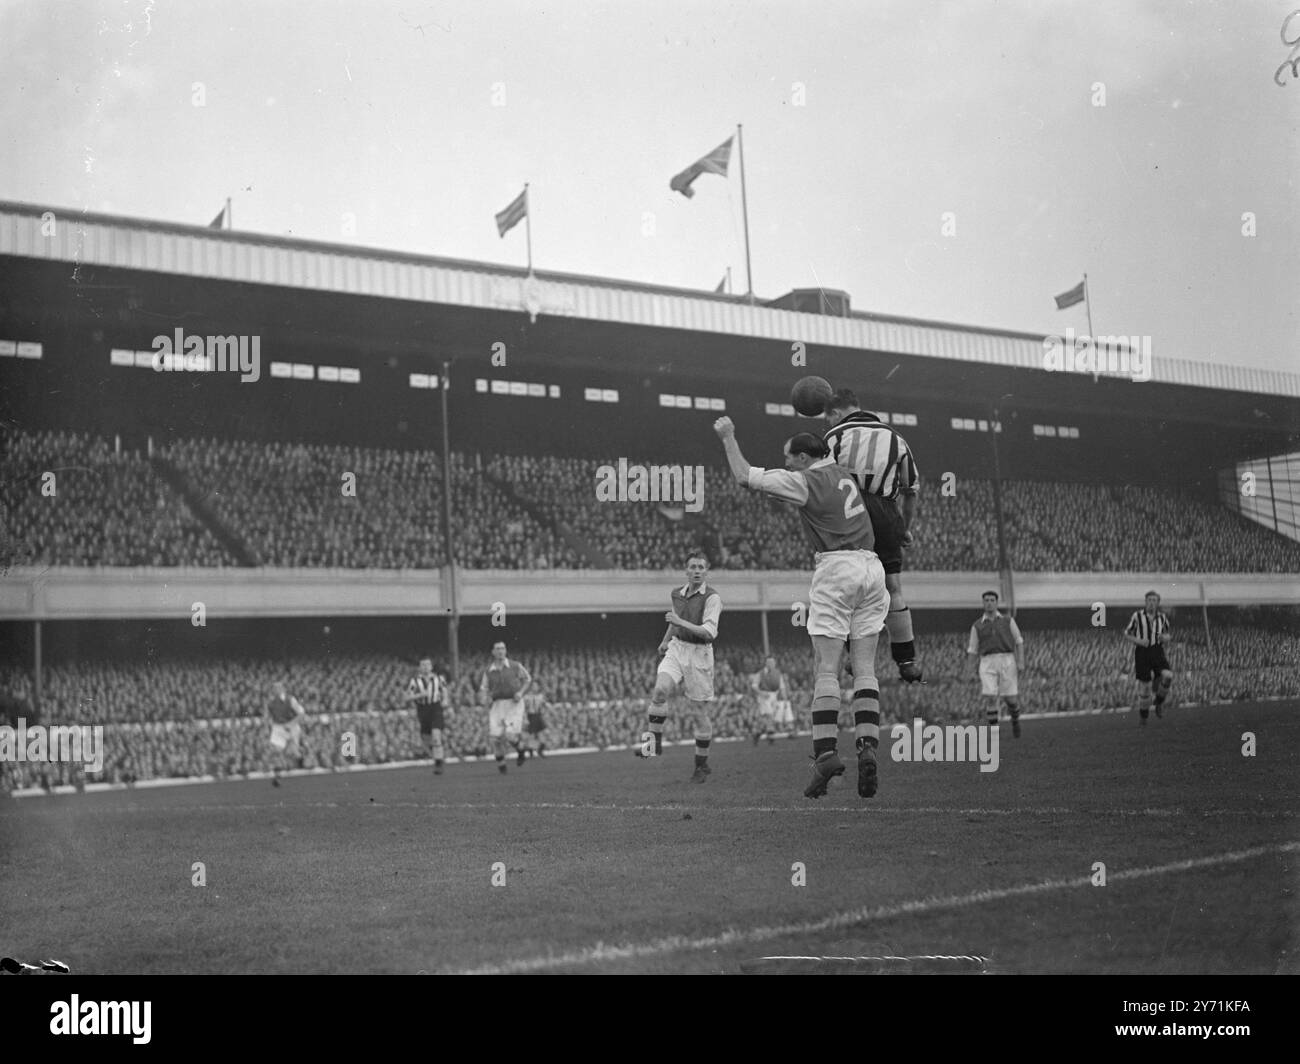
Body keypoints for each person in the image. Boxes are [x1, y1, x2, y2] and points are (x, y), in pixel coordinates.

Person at [715, 416, 888, 800]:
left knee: (826, 668)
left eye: (790, 458)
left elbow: (745, 476)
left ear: (806, 457)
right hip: (871, 568)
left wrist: (728, 436)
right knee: (864, 668)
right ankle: (868, 746)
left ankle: (826, 754)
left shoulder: (805, 480)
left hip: (836, 568)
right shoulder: (844, 474)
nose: (787, 463)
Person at [822, 390, 924, 684]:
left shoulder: (833, 437)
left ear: (835, 413)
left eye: (828, 417)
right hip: (886, 512)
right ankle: (907, 659)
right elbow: (910, 490)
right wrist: (903, 527)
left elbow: (821, 483)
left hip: (849, 510)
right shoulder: (896, 438)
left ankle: (856, 657)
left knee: (849, 585)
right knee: (892, 586)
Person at [638, 552, 723, 784]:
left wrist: (680, 623)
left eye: (701, 567)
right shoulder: (677, 593)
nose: (696, 570)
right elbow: (675, 619)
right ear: (686, 571)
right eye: (693, 566)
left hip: (700, 654)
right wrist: (666, 640)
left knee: (698, 713)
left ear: (706, 572)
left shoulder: (712, 598)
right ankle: (653, 743)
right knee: (659, 691)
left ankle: (701, 764)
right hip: (677, 647)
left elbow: (709, 632)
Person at [966, 590, 1025, 737]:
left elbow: (1019, 641)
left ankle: (1015, 720)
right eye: (986, 600)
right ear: (983, 603)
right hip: (987, 661)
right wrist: (969, 669)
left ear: (997, 603)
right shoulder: (977, 625)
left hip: (1007, 659)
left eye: (992, 600)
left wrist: (1021, 661)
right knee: (990, 696)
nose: (989, 603)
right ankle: (994, 732)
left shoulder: (1008, 620)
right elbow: (972, 649)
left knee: (1010, 699)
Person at [479, 641, 531, 772]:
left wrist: (520, 692)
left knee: (509, 735)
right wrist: (484, 699)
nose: (501, 651)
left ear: (506, 650)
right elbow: (483, 688)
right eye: (497, 649)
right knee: (495, 738)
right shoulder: (488, 671)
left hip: (514, 703)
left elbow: (527, 679)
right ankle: (502, 764)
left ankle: (520, 750)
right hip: (497, 704)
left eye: (503, 648)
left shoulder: (515, 666)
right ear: (493, 652)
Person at [1124, 591, 1173, 725]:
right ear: (1146, 602)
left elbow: (1168, 635)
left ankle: (1159, 702)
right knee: (1145, 687)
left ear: (1158, 603)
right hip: (1142, 652)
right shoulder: (1137, 616)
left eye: (1154, 600)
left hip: (1157, 651)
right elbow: (1127, 633)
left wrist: (1165, 638)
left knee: (1168, 675)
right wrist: (1139, 641)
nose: (1152, 602)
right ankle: (1144, 717)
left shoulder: (1162, 617)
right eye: (1149, 600)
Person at [404, 657, 450, 773]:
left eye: (427, 665)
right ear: (419, 667)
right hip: (422, 710)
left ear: (431, 666)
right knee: (426, 739)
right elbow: (407, 697)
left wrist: (445, 701)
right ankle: (437, 754)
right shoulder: (414, 681)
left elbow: (444, 691)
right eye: (423, 665)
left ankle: (438, 764)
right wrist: (419, 695)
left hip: (435, 708)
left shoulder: (439, 679)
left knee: (436, 735)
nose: (425, 667)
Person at [265, 680, 307, 786]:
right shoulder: (270, 703)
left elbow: (301, 714)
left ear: (283, 689)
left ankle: (300, 755)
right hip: (278, 728)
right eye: (274, 688)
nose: (276, 689)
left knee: (292, 753)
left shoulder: (291, 700)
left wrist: (291, 724)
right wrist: (268, 725)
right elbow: (269, 717)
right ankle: (277, 776)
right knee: (276, 751)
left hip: (291, 727)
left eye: (278, 687)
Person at [751, 655, 790, 745]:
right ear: (766, 663)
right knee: (769, 715)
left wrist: (785, 699)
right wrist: (761, 693)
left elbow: (782, 687)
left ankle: (758, 733)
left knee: (770, 718)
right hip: (764, 696)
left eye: (772, 662)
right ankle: (770, 738)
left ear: (775, 663)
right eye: (769, 662)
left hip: (774, 696)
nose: (771, 664)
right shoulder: (760, 674)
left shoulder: (778, 673)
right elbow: (754, 686)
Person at [523, 686, 548, 758]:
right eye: (534, 686)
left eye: (536, 686)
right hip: (531, 716)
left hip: (538, 716)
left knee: (543, 733)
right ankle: (531, 752)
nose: (535, 688)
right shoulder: (527, 697)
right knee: (531, 735)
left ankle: (540, 750)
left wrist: (544, 711)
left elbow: (544, 705)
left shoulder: (541, 696)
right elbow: (525, 708)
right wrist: (525, 718)